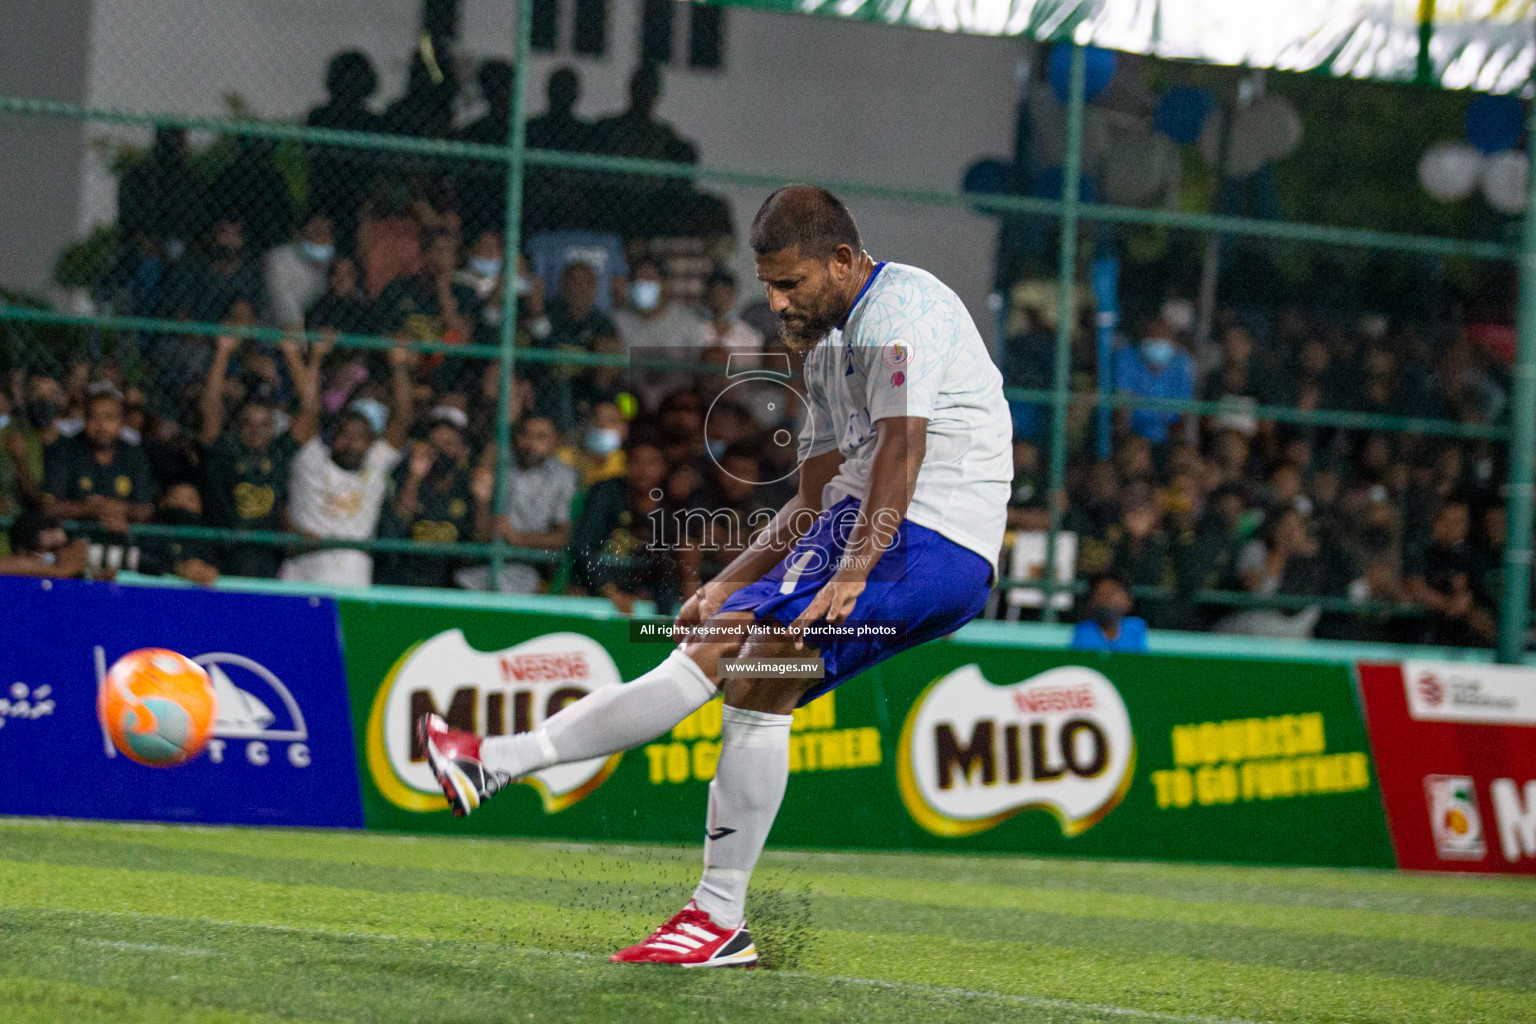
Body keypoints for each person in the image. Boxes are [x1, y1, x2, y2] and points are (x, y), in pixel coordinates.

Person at [420, 185, 1010, 967]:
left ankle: (718, 917)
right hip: (864, 521)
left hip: (937, 534)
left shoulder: (902, 311)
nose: (775, 299)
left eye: (791, 282)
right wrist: (731, 580)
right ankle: (492, 763)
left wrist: (857, 569)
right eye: (767, 283)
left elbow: (902, 453)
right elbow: (813, 495)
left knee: (761, 674)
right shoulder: (831, 349)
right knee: (706, 652)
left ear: (842, 259)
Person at [279, 341, 414, 587]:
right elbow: (309, 408)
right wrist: (314, 358)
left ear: (371, 442)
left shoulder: (375, 465)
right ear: (332, 438)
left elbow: (403, 419)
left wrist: (399, 366)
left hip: (353, 581)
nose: (351, 442)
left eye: (361, 437)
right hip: (303, 577)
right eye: (345, 434)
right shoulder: (312, 460)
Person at [199, 334, 313, 577]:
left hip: (268, 562)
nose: (255, 431)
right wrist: (223, 352)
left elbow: (310, 410)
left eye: (264, 425)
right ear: (238, 426)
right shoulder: (226, 453)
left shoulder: (279, 452)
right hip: (223, 559)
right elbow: (210, 411)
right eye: (248, 424)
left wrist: (292, 355)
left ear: (273, 427)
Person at [455, 415, 576, 594]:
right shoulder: (500, 465)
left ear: (555, 442)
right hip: (481, 566)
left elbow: (562, 537)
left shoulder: (564, 476)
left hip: (531, 569)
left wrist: (517, 538)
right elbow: (480, 528)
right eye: (525, 435)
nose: (530, 443)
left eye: (541, 437)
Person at [377, 407, 477, 588]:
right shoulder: (406, 475)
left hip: (446, 580)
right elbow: (400, 520)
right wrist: (414, 478)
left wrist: (482, 502)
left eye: (448, 444)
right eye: (434, 444)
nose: (439, 451)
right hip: (403, 576)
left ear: (462, 450)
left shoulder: (466, 486)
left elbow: (478, 538)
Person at [42, 389, 156, 534]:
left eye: (109, 418)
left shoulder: (134, 456)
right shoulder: (66, 451)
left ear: (121, 422)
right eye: (94, 418)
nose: (101, 426)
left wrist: (120, 509)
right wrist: (87, 509)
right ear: (84, 420)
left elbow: (146, 509)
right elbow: (49, 506)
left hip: (123, 539)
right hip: (74, 539)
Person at [1113, 317, 1193, 446]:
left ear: (1173, 341)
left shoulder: (1181, 363)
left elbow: (1183, 412)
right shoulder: (1127, 358)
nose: (1157, 341)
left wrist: (1175, 444)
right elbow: (1123, 409)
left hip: (1168, 436)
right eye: (1152, 337)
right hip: (1134, 434)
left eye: (1162, 337)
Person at [264, 212, 336, 330]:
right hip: (278, 325)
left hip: (320, 324)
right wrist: (295, 326)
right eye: (316, 231)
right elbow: (282, 298)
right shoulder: (280, 258)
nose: (320, 238)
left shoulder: (334, 262)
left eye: (326, 233)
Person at [1070, 573, 1149, 652]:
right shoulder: (1084, 631)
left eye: (1112, 594)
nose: (1106, 600)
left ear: (1127, 600)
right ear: (1092, 602)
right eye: (1101, 594)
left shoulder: (1135, 628)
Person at [698, 267, 763, 351]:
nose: (719, 299)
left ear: (733, 295)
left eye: (725, 294)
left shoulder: (750, 336)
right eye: (715, 294)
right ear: (707, 296)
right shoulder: (693, 330)